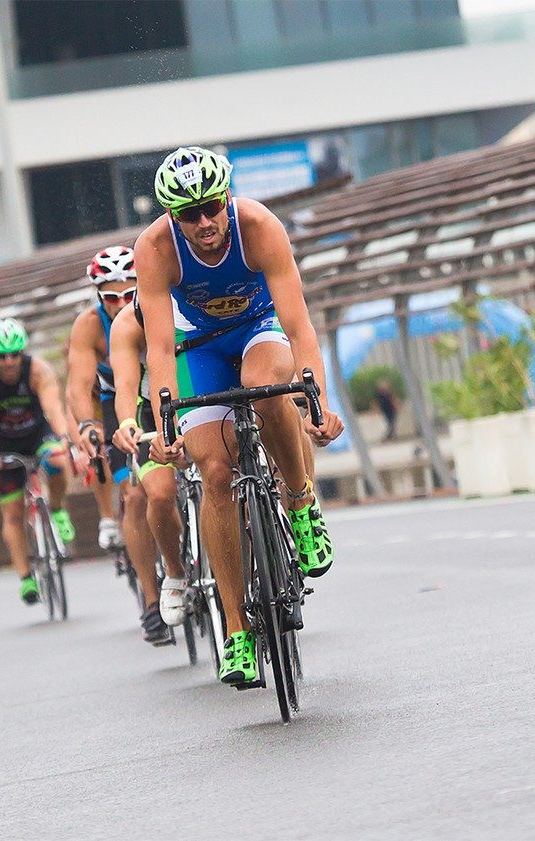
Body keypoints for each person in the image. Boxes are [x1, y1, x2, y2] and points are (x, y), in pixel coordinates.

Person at [136, 146, 344, 686]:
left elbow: (299, 328)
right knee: (218, 474)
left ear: (227, 196)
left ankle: (299, 502)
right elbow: (158, 348)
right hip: (196, 348)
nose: (204, 222)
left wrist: (317, 401)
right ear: (170, 216)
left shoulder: (258, 226)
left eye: (212, 206)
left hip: (259, 327)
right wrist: (163, 426)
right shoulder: (156, 249)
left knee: (265, 384)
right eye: (189, 214)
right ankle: (236, 633)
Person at [67, 246, 171, 644]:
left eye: (130, 295)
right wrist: (90, 425)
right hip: (119, 403)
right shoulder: (89, 327)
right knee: (135, 495)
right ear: (98, 297)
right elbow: (78, 386)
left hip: (165, 392)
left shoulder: (157, 305)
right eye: (111, 297)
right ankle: (150, 599)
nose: (122, 304)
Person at [0, 317, 77, 605]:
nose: (9, 362)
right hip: (6, 444)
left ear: (23, 352)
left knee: (56, 460)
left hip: (37, 434)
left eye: (15, 354)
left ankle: (57, 507)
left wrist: (65, 439)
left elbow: (53, 408)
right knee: (13, 513)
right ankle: (26, 577)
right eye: (2, 356)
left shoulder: (38, 370)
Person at [109, 296, 188, 631]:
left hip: (203, 391)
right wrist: (127, 421)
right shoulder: (128, 321)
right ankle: (174, 571)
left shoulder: (200, 296)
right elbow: (126, 384)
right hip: (152, 409)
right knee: (157, 494)